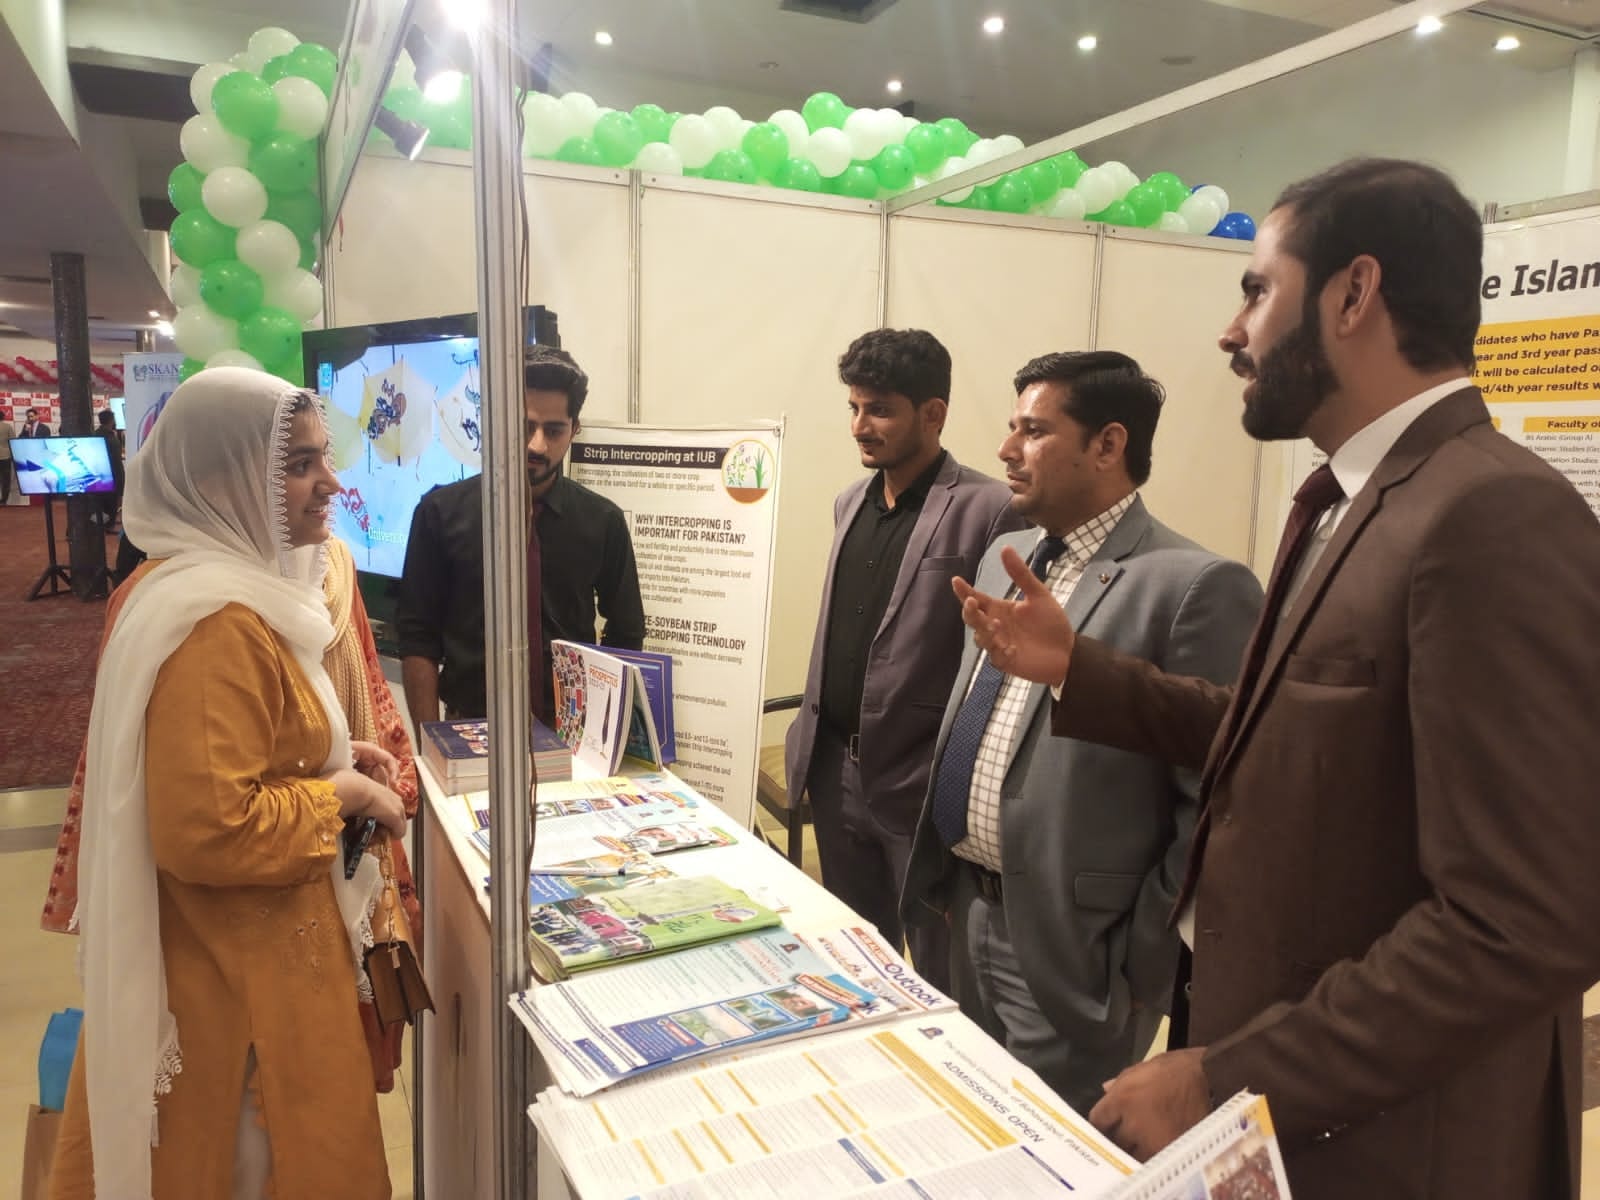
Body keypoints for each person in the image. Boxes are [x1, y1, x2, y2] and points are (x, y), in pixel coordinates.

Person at [948, 159, 1600, 1200]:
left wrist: (1231, 1077)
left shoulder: (1489, 515)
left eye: (1256, 290)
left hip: (1388, 1139)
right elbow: (1281, 734)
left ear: (1353, 294)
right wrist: (1077, 670)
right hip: (1297, 1094)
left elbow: (1522, 921)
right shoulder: (1354, 500)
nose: (1230, 330)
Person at [49, 367, 404, 1198]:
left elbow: (237, 748)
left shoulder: (228, 593)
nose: (331, 483)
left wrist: (333, 752)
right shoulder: (217, 621)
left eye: (324, 457)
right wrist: (344, 794)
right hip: (235, 1009)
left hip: (257, 975)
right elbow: (210, 827)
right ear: (223, 483)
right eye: (300, 465)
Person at [900, 350, 1261, 1112]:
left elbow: (1213, 802)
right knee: (976, 1125)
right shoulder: (1006, 565)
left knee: (1055, 1148)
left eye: (1033, 431)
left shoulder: (1194, 586)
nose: (1006, 450)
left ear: (1107, 445)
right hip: (968, 911)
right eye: (1012, 428)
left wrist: (1140, 967)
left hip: (1075, 957)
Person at [785, 328, 1027, 991]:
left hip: (921, 782)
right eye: (855, 408)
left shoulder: (989, 508)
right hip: (833, 770)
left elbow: (998, 663)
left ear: (933, 413)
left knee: (941, 973)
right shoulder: (849, 501)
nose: (860, 427)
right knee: (857, 965)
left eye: (880, 410)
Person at [397, 345, 644, 732]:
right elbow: (417, 637)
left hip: (571, 734)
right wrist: (430, 745)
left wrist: (602, 729)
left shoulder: (602, 521)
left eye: (554, 430)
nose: (537, 445)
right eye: (525, 427)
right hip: (468, 731)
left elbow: (626, 631)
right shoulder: (440, 514)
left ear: (575, 429)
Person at [94, 408, 124, 531]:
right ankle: (106, 526)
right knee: (110, 502)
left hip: (101, 475)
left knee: (104, 503)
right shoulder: (109, 437)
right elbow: (116, 459)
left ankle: (103, 524)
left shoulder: (97, 434)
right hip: (111, 474)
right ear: (111, 420)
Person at [0, 413, 13, 503]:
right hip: (5, 456)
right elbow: (12, 440)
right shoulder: (7, 427)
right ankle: (4, 500)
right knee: (6, 480)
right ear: (3, 417)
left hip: (5, 456)